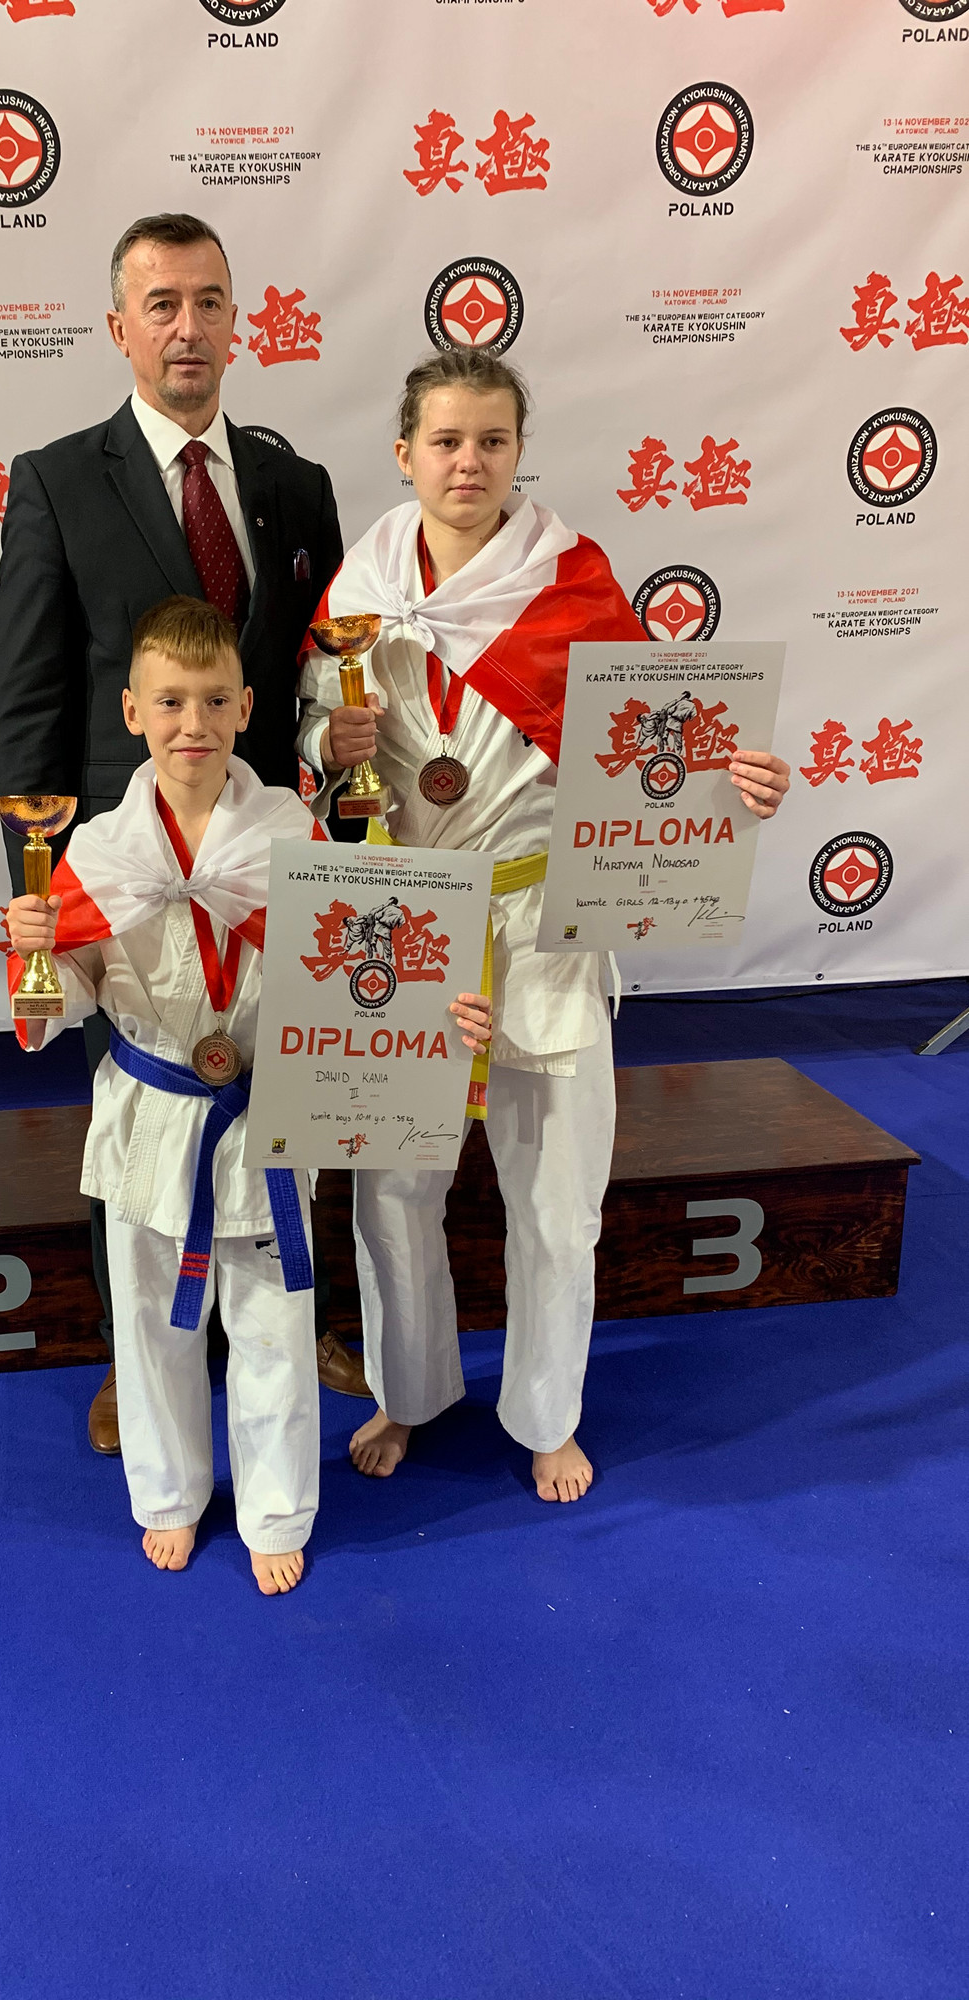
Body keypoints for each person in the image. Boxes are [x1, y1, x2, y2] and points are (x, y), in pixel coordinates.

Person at [298, 347, 792, 1501]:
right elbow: (312, 743)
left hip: (540, 917)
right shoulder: (358, 588)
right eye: (446, 440)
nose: (468, 462)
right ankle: (407, 1390)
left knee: (558, 1197)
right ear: (404, 451)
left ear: (520, 451)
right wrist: (330, 743)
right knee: (391, 1196)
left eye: (492, 441)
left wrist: (736, 779)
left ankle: (547, 1412)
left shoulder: (572, 578)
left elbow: (653, 740)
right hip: (400, 922)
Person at [0, 212, 363, 1454]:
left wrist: (338, 758)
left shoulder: (295, 483)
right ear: (120, 327)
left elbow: (319, 676)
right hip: (130, 866)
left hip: (270, 854)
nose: (186, 326)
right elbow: (29, 698)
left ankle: (297, 1308)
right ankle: (136, 1348)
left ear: (237, 322)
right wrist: (45, 895)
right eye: (161, 304)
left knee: (291, 1087)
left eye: (208, 301)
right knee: (142, 1102)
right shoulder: (55, 479)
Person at [4, 597, 322, 1593]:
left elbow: (351, 966)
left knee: (274, 1326)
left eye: (215, 699)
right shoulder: (96, 852)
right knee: (152, 1327)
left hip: (264, 1111)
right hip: (152, 1114)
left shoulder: (294, 831)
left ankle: (276, 1505)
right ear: (132, 711)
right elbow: (69, 997)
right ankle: (170, 1495)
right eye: (172, 700)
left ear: (248, 708)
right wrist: (39, 955)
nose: (195, 722)